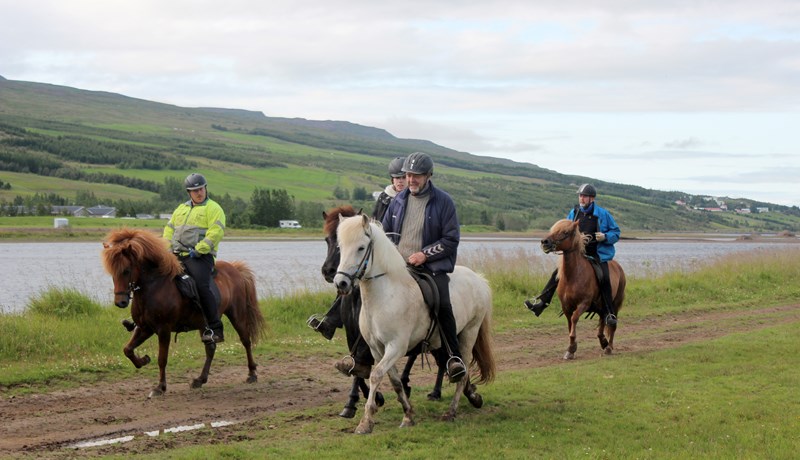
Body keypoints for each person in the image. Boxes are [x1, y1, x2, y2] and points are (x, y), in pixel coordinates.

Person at [382, 152, 466, 383]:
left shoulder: (444, 202)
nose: (411, 180)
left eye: (416, 175)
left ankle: (453, 357)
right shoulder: (397, 201)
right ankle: (357, 352)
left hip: (430, 267)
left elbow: (450, 240)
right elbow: (385, 233)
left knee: (442, 302)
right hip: (398, 266)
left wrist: (424, 255)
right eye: (408, 175)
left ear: (428, 175)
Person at [307, 157, 407, 341]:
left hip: (403, 251)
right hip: (381, 251)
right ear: (392, 179)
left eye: (403, 177)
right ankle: (332, 322)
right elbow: (375, 223)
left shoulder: (412, 199)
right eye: (396, 178)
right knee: (351, 279)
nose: (400, 181)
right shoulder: (385, 198)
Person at [524, 183, 620, 326]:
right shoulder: (574, 213)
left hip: (596, 254)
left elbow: (616, 233)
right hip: (577, 254)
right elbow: (565, 232)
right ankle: (542, 303)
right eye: (580, 196)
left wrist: (605, 236)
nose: (582, 198)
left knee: (604, 277)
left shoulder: (603, 214)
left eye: (585, 196)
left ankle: (609, 313)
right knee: (556, 274)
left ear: (592, 199)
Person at [164, 172, 227, 343]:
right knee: (156, 276)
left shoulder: (214, 208)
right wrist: (167, 247)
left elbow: (216, 233)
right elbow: (169, 229)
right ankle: (143, 319)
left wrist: (199, 249)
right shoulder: (181, 209)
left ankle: (215, 329)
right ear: (189, 192)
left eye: (201, 189)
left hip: (200, 257)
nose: (199, 193)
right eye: (195, 190)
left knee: (201, 286)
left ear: (205, 189)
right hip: (177, 254)